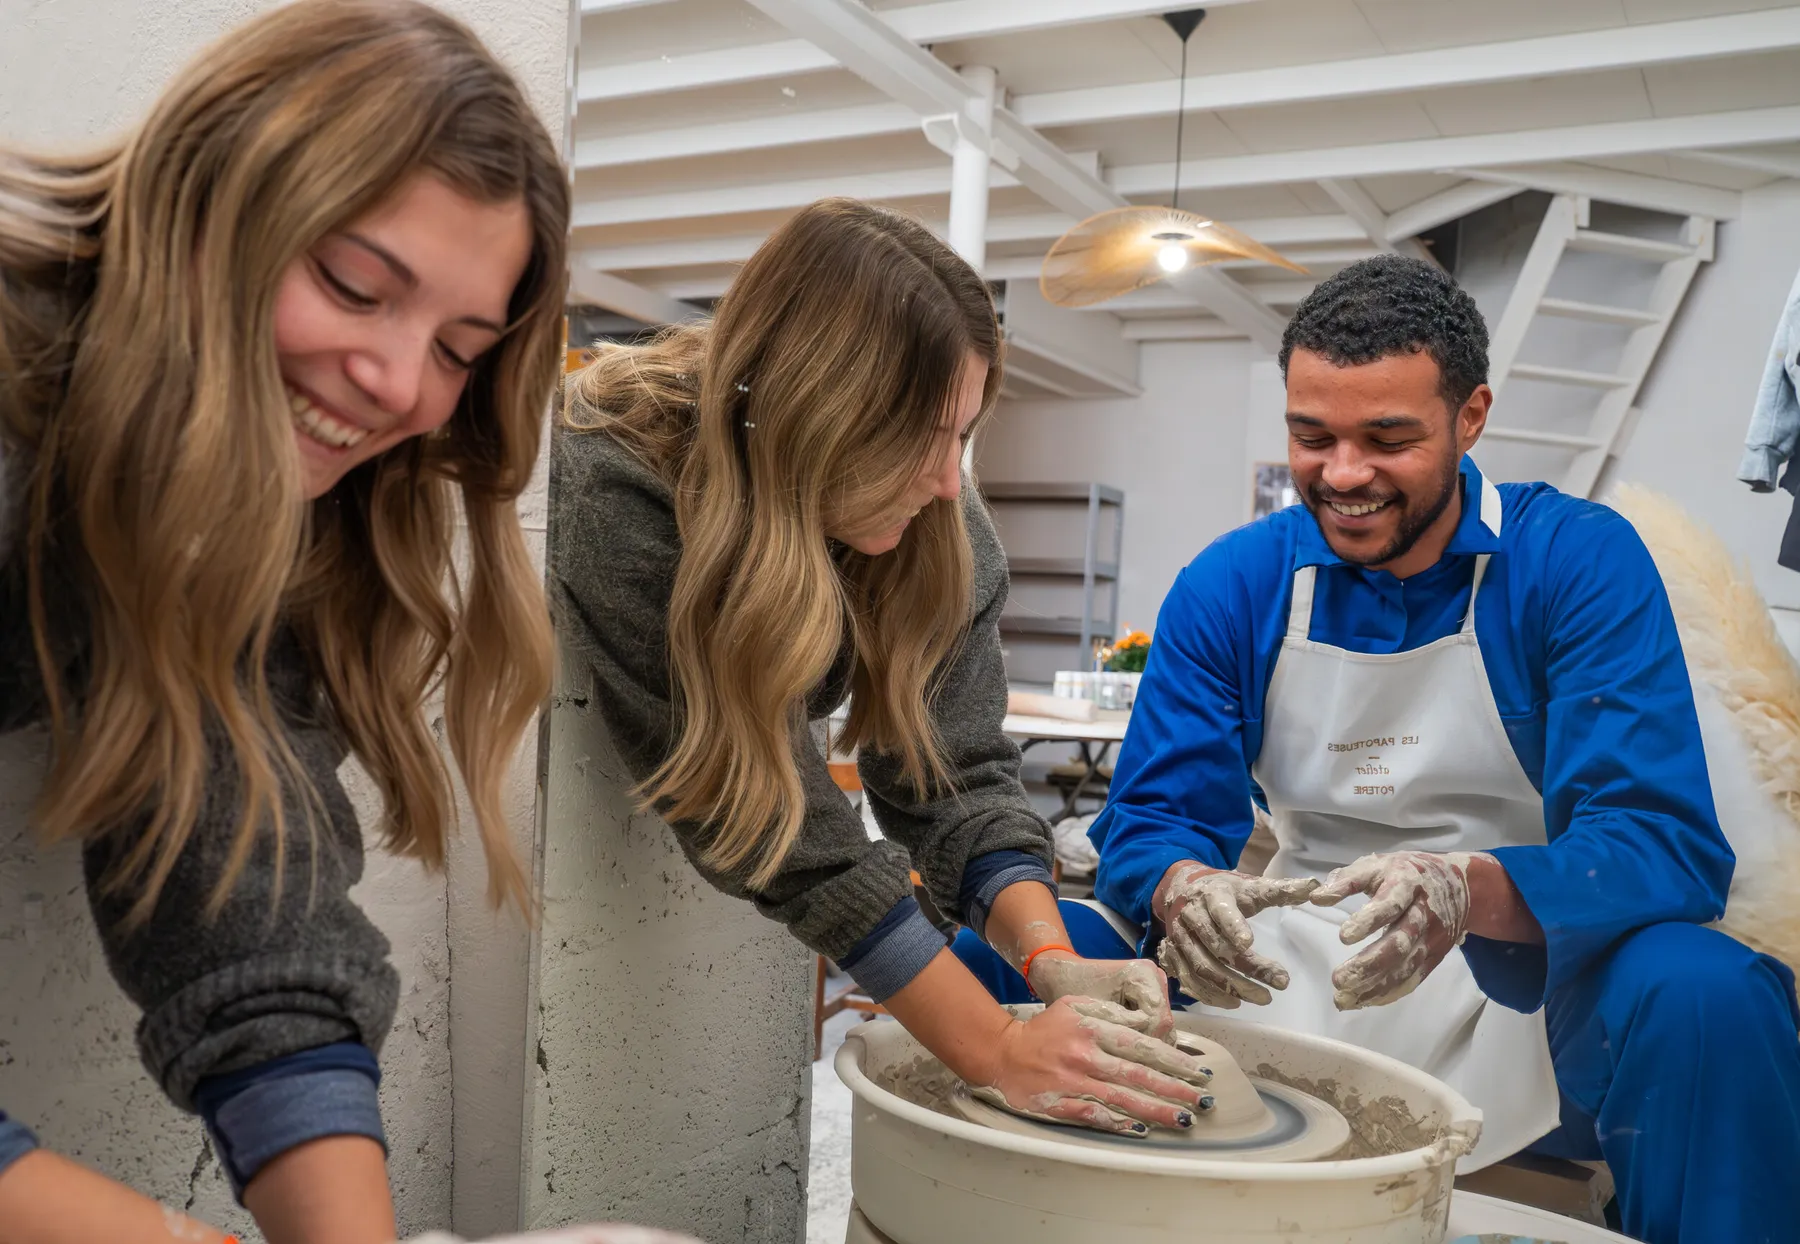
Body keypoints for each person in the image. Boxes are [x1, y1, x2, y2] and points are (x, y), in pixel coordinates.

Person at [952, 254, 1800, 1243]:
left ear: (1470, 416)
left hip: (1524, 979)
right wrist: (1181, 885)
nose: (1343, 474)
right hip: (1286, 962)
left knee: (1709, 991)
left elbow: (1664, 841)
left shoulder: (1575, 560)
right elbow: (1152, 815)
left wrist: (1460, 887)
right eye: (1312, 436)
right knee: (1004, 960)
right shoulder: (1236, 582)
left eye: (1386, 437)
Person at [0, 2, 568, 1241]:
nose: (400, 383)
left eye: (460, 348)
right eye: (355, 286)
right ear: (209, 201)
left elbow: (249, 896)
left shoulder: (217, 501)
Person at [557, 198, 1214, 1138]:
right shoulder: (624, 483)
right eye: (925, 438)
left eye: (964, 435)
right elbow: (772, 818)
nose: (950, 481)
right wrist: (993, 1048)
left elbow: (955, 775)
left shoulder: (940, 523)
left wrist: (1047, 957)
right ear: (817, 414)